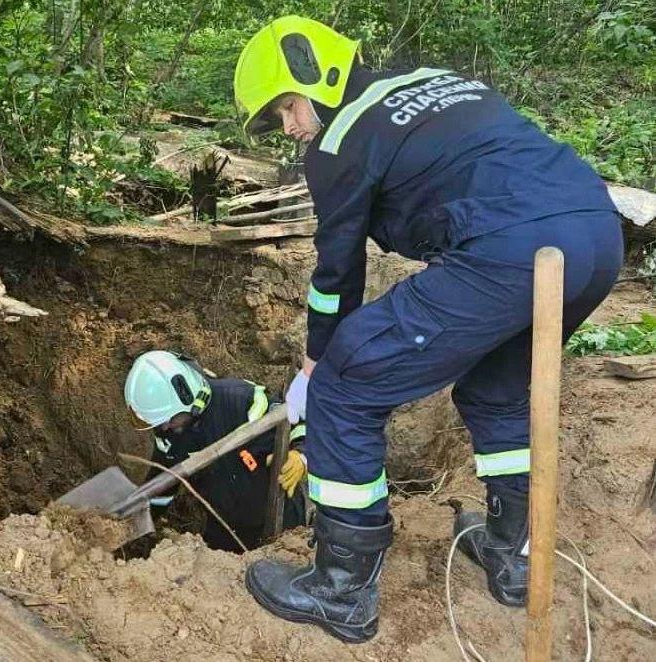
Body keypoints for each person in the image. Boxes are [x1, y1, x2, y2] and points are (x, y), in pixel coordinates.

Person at [233, 16, 623, 643]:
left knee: (346, 385)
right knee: (494, 392)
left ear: (316, 76)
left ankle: (340, 590)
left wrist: (314, 367)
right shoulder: (436, 82)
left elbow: (337, 272)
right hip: (597, 237)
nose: (291, 127)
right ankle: (511, 555)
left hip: (506, 251)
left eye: (286, 107)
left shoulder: (339, 143)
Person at [124, 350, 307, 552]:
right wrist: (129, 525)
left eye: (168, 419)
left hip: (282, 524)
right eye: (159, 423)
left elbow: (296, 420)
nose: (165, 427)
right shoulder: (169, 436)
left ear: (187, 398)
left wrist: (301, 453)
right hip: (224, 535)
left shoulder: (242, 402)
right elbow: (163, 484)